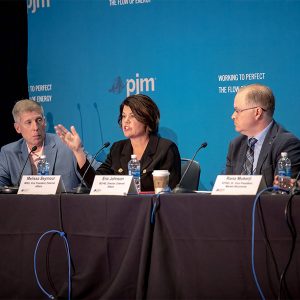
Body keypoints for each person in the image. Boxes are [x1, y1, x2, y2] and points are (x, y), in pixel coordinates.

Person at [55, 94, 181, 192]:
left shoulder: (165, 149)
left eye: (132, 116)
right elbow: (96, 183)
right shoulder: (118, 149)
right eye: (123, 116)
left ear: (147, 120)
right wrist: (78, 151)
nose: (126, 121)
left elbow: (171, 195)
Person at [0, 99, 97, 192]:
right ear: (17, 128)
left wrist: (78, 151)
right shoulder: (9, 153)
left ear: (45, 122)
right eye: (28, 122)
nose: (35, 127)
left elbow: (98, 178)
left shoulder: (66, 146)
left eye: (39, 120)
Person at [225, 83, 300, 188]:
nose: (233, 116)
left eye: (238, 111)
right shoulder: (236, 145)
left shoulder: (286, 144)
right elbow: (226, 190)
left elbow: (283, 193)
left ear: (257, 112)